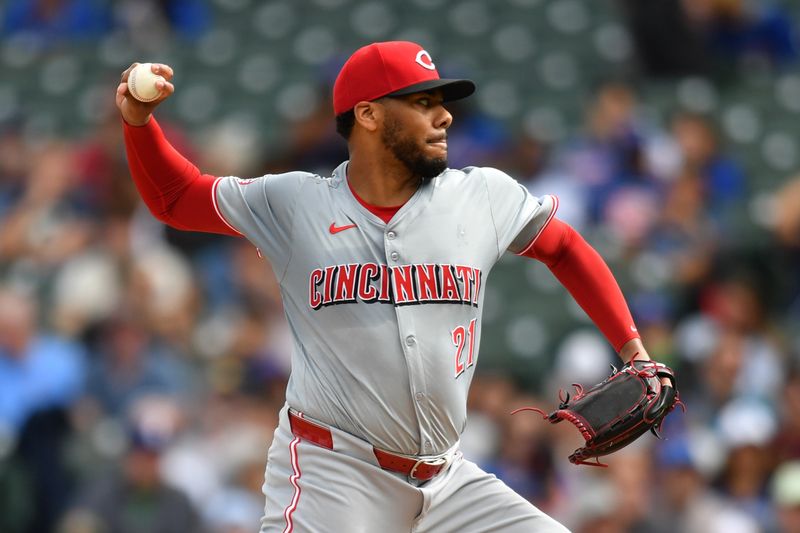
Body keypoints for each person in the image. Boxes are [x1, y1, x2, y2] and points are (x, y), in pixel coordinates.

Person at [116, 40, 661, 532]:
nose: (445, 115)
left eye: (442, 102)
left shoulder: (481, 195)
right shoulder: (296, 203)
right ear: (369, 114)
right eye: (423, 102)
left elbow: (563, 246)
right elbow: (175, 198)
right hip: (336, 477)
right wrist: (139, 124)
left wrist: (633, 349)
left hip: (447, 482)